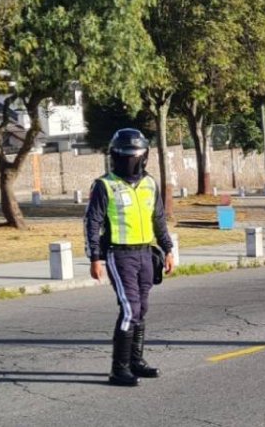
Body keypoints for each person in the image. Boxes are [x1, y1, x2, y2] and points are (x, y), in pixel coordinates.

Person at [84, 128, 175, 387]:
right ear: (115, 155)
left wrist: (168, 249)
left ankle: (136, 361)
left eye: (136, 154)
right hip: (119, 254)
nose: (131, 159)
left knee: (141, 309)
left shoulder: (150, 184)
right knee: (129, 310)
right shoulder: (104, 185)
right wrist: (95, 257)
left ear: (144, 155)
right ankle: (119, 369)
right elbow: (92, 222)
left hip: (146, 253)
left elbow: (158, 219)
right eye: (126, 154)